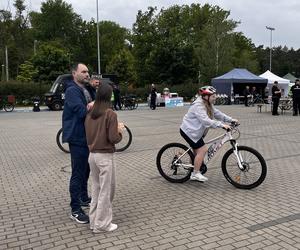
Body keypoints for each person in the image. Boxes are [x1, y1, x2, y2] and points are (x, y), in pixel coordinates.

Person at [85, 83, 123, 233]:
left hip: (92, 155)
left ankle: (94, 221)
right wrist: (120, 131)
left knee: (96, 189)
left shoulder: (90, 113)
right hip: (105, 156)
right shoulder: (110, 114)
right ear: (109, 95)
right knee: (106, 191)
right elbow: (113, 138)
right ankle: (102, 224)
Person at [180, 86, 238, 182]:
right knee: (202, 150)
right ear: (206, 96)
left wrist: (230, 120)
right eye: (213, 96)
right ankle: (195, 174)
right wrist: (222, 125)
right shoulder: (198, 106)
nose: (215, 98)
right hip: (189, 131)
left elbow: (217, 114)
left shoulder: (208, 104)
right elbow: (206, 121)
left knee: (196, 151)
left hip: (196, 132)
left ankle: (192, 168)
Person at [62, 63, 94, 224]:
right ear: (74, 73)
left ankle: (83, 197)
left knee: (86, 169)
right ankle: (75, 209)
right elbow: (81, 112)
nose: (87, 74)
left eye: (88, 71)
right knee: (78, 172)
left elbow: (92, 106)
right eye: (84, 71)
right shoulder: (72, 90)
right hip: (77, 137)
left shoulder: (85, 89)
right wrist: (91, 106)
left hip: (87, 136)